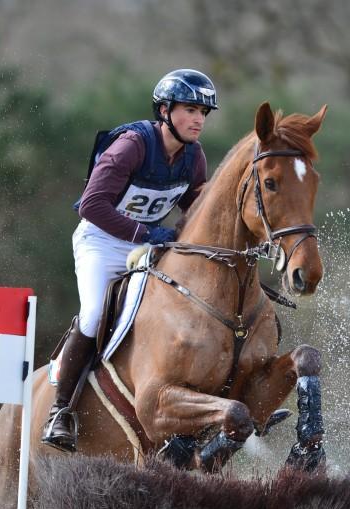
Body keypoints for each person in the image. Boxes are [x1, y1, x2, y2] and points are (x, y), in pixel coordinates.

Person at [41, 68, 218, 451]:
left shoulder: (193, 157)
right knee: (92, 315)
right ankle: (61, 410)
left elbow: (193, 208)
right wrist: (147, 233)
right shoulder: (133, 145)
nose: (199, 120)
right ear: (165, 110)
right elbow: (91, 205)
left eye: (204, 113)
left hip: (147, 246)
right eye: (190, 109)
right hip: (101, 242)